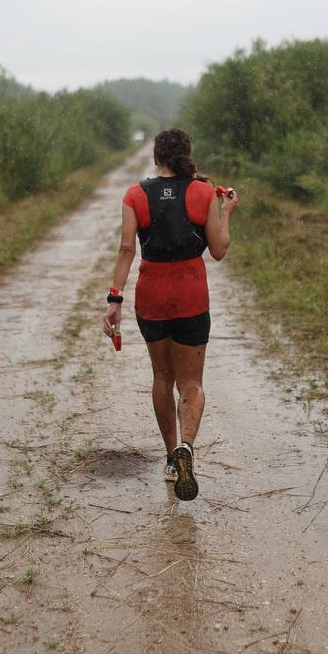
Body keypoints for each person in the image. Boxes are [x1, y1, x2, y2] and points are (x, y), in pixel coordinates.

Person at [103, 128, 239, 501]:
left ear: (156, 157)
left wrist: (114, 299)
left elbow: (127, 249)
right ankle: (188, 448)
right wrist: (226, 213)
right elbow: (219, 250)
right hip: (191, 294)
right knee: (191, 384)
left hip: (153, 296)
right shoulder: (202, 193)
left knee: (162, 377)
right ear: (187, 155)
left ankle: (169, 457)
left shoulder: (135, 195)